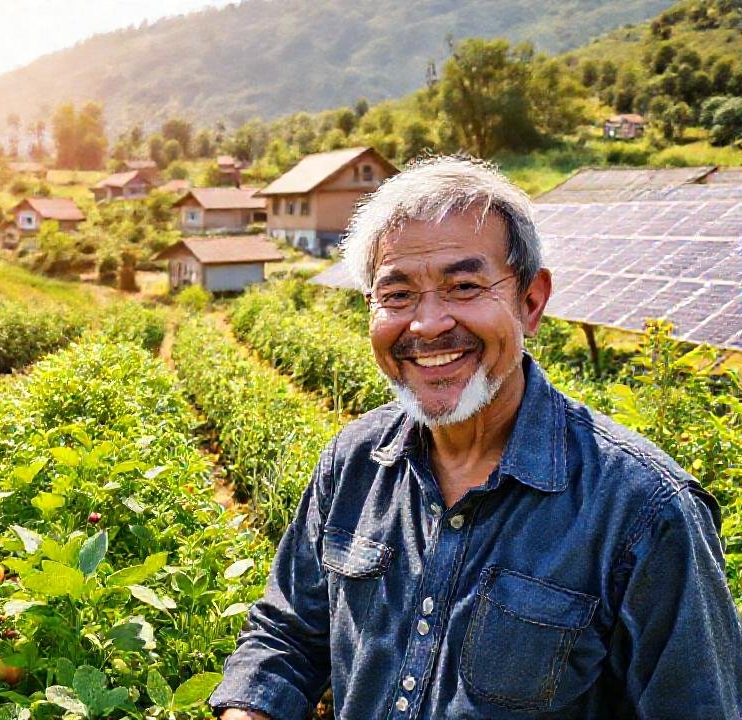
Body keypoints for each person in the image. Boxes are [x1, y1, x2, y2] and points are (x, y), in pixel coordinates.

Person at [209, 157, 742, 719]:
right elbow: (289, 636)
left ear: (531, 303)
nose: (427, 324)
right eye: (397, 295)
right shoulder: (354, 462)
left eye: (464, 286)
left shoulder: (642, 512)